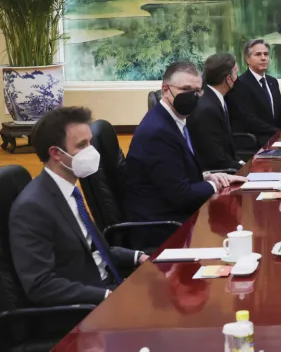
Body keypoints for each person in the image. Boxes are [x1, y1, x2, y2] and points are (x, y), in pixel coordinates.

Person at [9, 107, 146, 306]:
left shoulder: (70, 191)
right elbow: (40, 285)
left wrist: (138, 257)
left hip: (110, 288)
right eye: (82, 145)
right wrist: (106, 297)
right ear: (56, 153)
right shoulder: (32, 207)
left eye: (90, 142)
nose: (91, 151)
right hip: (84, 308)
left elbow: (92, 250)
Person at [123, 61, 244, 249]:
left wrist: (207, 176)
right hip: (163, 230)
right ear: (165, 90)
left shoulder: (174, 121)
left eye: (197, 91)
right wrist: (213, 184)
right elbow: (181, 195)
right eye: (186, 89)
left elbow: (174, 173)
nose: (193, 96)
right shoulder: (158, 132)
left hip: (178, 218)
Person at [188, 53, 242, 173]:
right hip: (216, 176)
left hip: (227, 166)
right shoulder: (207, 109)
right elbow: (215, 159)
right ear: (228, 79)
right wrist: (247, 169)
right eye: (236, 74)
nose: (237, 78)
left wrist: (243, 163)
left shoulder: (213, 97)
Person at [229, 39, 281, 146]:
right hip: (257, 141)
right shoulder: (241, 84)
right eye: (258, 54)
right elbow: (250, 119)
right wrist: (278, 132)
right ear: (248, 59)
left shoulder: (273, 82)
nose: (263, 58)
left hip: (277, 137)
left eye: (266, 54)